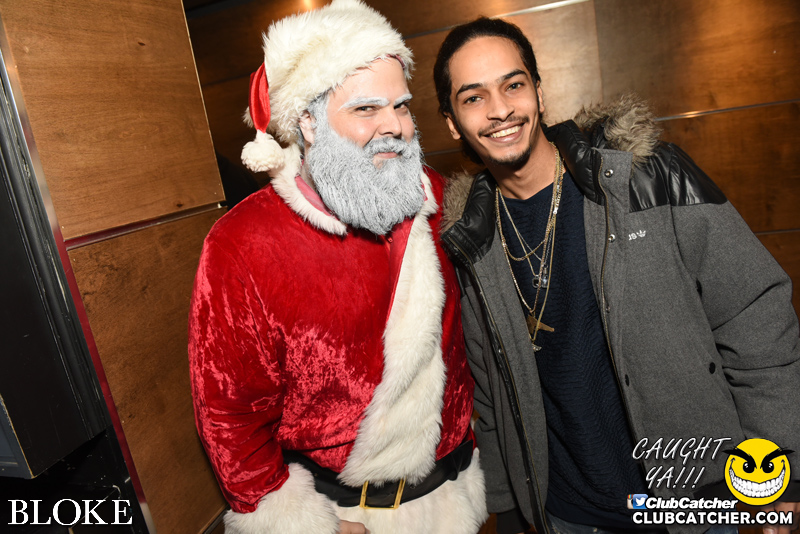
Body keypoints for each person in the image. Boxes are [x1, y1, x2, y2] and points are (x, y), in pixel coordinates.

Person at [433, 16, 800, 534]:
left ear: (538, 92)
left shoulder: (645, 177)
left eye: (513, 85)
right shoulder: (473, 238)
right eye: (473, 97)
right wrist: (510, 508)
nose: (500, 110)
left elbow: (755, 320)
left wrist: (781, 473)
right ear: (452, 122)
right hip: (566, 515)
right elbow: (492, 395)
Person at [188, 2, 487, 533]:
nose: (394, 126)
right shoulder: (244, 244)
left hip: (457, 498)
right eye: (366, 109)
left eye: (400, 105)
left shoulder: (439, 198)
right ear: (307, 120)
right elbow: (229, 414)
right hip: (350, 517)